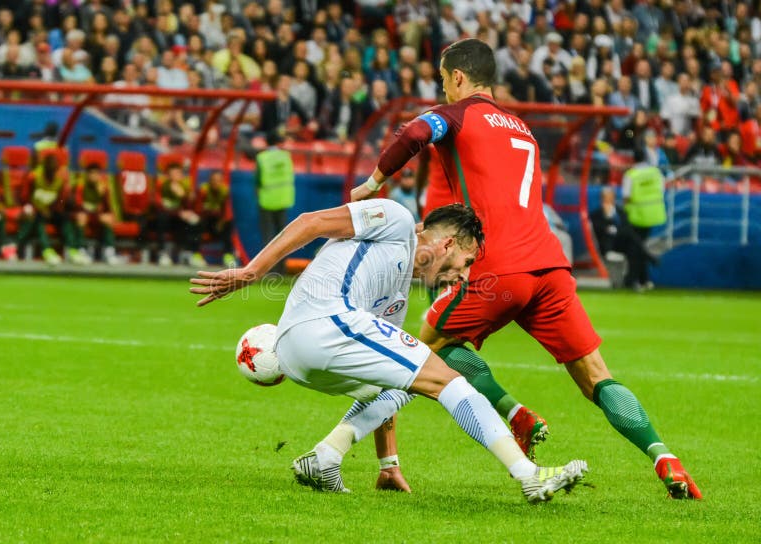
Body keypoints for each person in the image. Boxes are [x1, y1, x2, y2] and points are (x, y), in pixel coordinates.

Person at [346, 38, 700, 500]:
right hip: (550, 265)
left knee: (421, 348)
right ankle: (663, 456)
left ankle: (510, 417)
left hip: (495, 266)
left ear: (457, 77)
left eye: (442, 79)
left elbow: (412, 135)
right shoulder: (522, 127)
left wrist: (371, 183)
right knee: (597, 376)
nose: (442, 88)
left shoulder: (455, 115)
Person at [189, 199, 588, 503]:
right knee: (450, 379)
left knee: (404, 385)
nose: (464, 277)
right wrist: (252, 272)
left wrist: (388, 463)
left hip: (305, 357)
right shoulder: (395, 219)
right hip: (322, 322)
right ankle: (528, 476)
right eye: (466, 263)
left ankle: (326, 457)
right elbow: (310, 223)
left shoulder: (395, 301)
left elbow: (391, 375)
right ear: (447, 243)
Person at [16, 150, 74, 265]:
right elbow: (24, 197)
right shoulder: (33, 177)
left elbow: (61, 201)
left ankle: (73, 249)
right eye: (50, 165)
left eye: (55, 166)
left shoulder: (60, 181)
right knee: (38, 220)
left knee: (65, 219)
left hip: (51, 211)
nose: (53, 168)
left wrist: (66, 191)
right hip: (35, 210)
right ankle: (47, 250)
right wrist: (37, 208)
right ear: (44, 166)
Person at [622, 147, 666, 291]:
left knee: (636, 249)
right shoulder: (656, 173)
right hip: (653, 214)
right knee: (641, 247)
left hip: (636, 216)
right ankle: (644, 279)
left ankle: (634, 280)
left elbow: (626, 197)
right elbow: (661, 190)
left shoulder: (631, 175)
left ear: (633, 159)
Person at [256, 134, 295, 275]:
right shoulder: (286, 156)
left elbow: (258, 180)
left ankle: (268, 270)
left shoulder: (262, 157)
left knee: (268, 238)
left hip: (266, 200)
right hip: (283, 200)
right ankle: (281, 270)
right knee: (283, 238)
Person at [72, 163, 122, 265]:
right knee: (81, 217)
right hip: (85, 216)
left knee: (107, 219)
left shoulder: (103, 188)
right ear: (87, 175)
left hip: (97, 217)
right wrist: (94, 213)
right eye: (91, 173)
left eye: (96, 174)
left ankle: (109, 252)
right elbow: (77, 205)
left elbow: (108, 208)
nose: (94, 176)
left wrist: (102, 195)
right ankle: (81, 250)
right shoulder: (80, 186)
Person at [154, 161, 201, 266]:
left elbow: (188, 207)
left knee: (195, 221)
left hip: (178, 218)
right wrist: (179, 213)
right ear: (167, 175)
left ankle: (190, 253)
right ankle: (163, 253)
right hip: (165, 217)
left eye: (178, 174)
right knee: (162, 218)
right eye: (174, 174)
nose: (177, 176)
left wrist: (186, 197)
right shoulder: (162, 186)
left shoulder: (184, 186)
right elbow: (159, 205)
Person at [195, 170, 237, 268]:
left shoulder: (225, 192)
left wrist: (221, 222)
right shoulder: (203, 191)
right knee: (195, 223)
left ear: (221, 182)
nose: (215, 182)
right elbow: (197, 209)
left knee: (229, 224)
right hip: (205, 221)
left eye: (218, 180)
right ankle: (195, 255)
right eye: (213, 180)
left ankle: (228, 255)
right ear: (209, 181)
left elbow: (228, 212)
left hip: (218, 223)